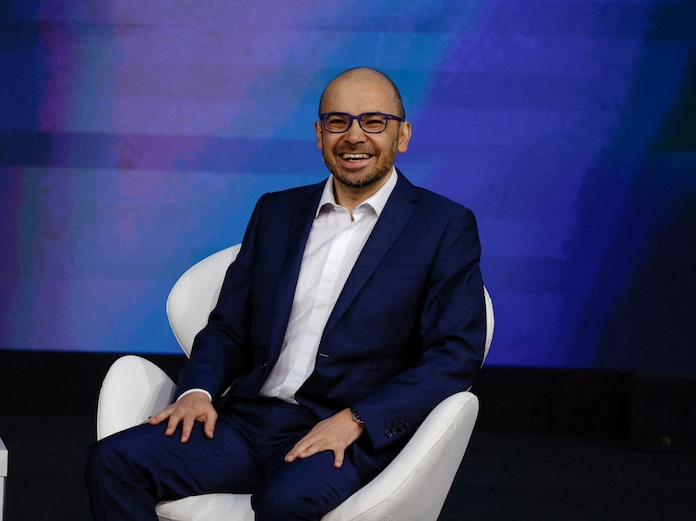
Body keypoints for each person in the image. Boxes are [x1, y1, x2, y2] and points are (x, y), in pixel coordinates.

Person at [85, 67, 487, 520]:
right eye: (338, 122)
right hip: (246, 421)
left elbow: (454, 354)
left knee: (284, 502)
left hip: (343, 430)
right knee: (115, 462)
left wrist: (358, 419)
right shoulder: (276, 212)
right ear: (319, 134)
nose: (354, 136)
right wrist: (197, 390)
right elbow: (228, 327)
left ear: (402, 134)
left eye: (373, 122)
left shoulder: (443, 225)